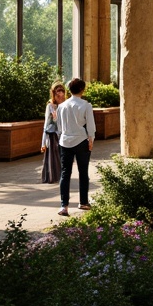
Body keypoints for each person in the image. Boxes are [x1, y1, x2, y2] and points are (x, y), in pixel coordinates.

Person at [56, 77, 95, 215]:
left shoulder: (61, 106)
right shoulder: (86, 105)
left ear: (70, 90)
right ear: (82, 90)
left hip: (65, 141)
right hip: (81, 141)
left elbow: (59, 128)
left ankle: (64, 206)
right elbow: (90, 126)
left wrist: (62, 137)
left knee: (65, 173)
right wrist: (91, 140)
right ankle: (83, 202)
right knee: (83, 172)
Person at [40, 81, 65, 184]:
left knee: (62, 156)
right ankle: (51, 176)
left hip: (62, 134)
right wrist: (43, 142)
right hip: (52, 135)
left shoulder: (65, 105)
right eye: (58, 94)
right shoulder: (50, 106)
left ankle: (60, 176)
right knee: (53, 156)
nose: (60, 96)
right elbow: (47, 124)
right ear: (54, 94)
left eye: (62, 93)